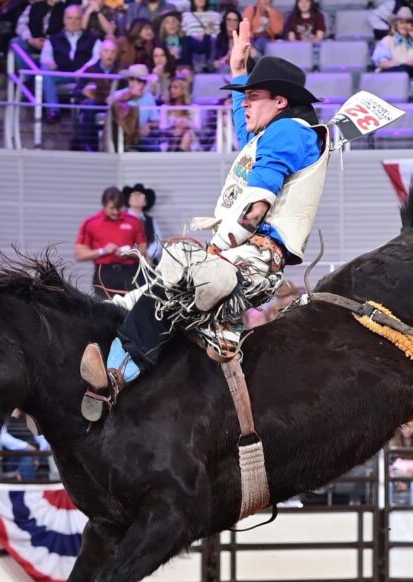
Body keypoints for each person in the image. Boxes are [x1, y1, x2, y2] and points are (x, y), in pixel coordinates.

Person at [79, 25, 330, 421]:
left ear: (280, 101)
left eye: (252, 97)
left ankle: (125, 367)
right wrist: (238, 69)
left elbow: (256, 204)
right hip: (243, 252)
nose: (244, 104)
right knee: (175, 271)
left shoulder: (286, 134)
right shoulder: (276, 130)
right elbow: (247, 131)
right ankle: (126, 328)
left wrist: (221, 246)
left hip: (254, 256)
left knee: (191, 271)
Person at [76, 185, 148, 297]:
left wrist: (130, 252)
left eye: (118, 208)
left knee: (130, 310)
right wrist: (102, 251)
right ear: (104, 205)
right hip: (104, 273)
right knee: (105, 309)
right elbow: (80, 254)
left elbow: (143, 250)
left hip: (130, 273)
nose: (115, 212)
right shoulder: (91, 223)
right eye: (112, 208)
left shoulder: (133, 221)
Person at [40, 4, 101, 124]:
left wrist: (84, 70)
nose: (73, 22)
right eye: (70, 18)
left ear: (82, 19)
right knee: (44, 69)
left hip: (85, 77)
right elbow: (44, 58)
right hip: (63, 75)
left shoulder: (93, 39)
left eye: (77, 18)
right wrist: (49, 61)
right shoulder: (53, 39)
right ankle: (53, 111)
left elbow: (97, 58)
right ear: (64, 19)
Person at [372, 8, 413, 77]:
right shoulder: (388, 40)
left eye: (408, 22)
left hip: (412, 75)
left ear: (412, 25)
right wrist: (403, 63)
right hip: (393, 75)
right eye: (401, 23)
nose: (405, 25)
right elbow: (382, 63)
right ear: (396, 25)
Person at [123, 183, 160, 262]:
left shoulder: (150, 221)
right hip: (126, 263)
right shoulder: (121, 219)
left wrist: (148, 255)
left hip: (147, 263)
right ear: (128, 199)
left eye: (141, 195)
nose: (137, 197)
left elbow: (158, 242)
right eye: (133, 195)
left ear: (145, 202)